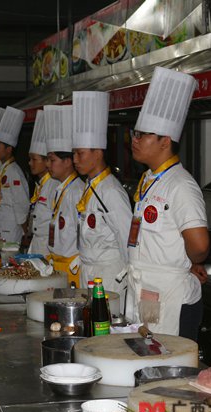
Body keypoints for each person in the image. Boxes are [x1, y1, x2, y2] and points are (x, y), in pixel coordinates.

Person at [126, 67, 209, 341]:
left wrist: (185, 264)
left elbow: (200, 246)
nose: (135, 140)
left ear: (165, 141)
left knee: (168, 359)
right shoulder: (149, 179)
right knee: (146, 354)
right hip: (147, 291)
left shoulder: (181, 184)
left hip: (172, 295)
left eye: (143, 135)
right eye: (135, 133)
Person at [73, 91, 131, 313]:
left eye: (80, 154)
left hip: (109, 276)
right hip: (88, 272)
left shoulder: (111, 191)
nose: (75, 160)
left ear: (97, 153)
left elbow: (127, 238)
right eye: (74, 154)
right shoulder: (89, 186)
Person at [44, 105, 83, 286]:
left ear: (67, 162)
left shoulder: (77, 192)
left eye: (52, 160)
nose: (48, 165)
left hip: (72, 269)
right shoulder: (60, 189)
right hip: (57, 265)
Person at [0, 106, 30, 244]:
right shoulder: (3, 169)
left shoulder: (14, 172)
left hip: (12, 228)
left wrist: (24, 230)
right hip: (1, 223)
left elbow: (22, 203)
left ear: (9, 149)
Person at [27, 110, 59, 256]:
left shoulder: (54, 185)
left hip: (48, 248)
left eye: (34, 159)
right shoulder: (40, 185)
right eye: (30, 159)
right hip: (36, 244)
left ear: (46, 161)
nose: (30, 163)